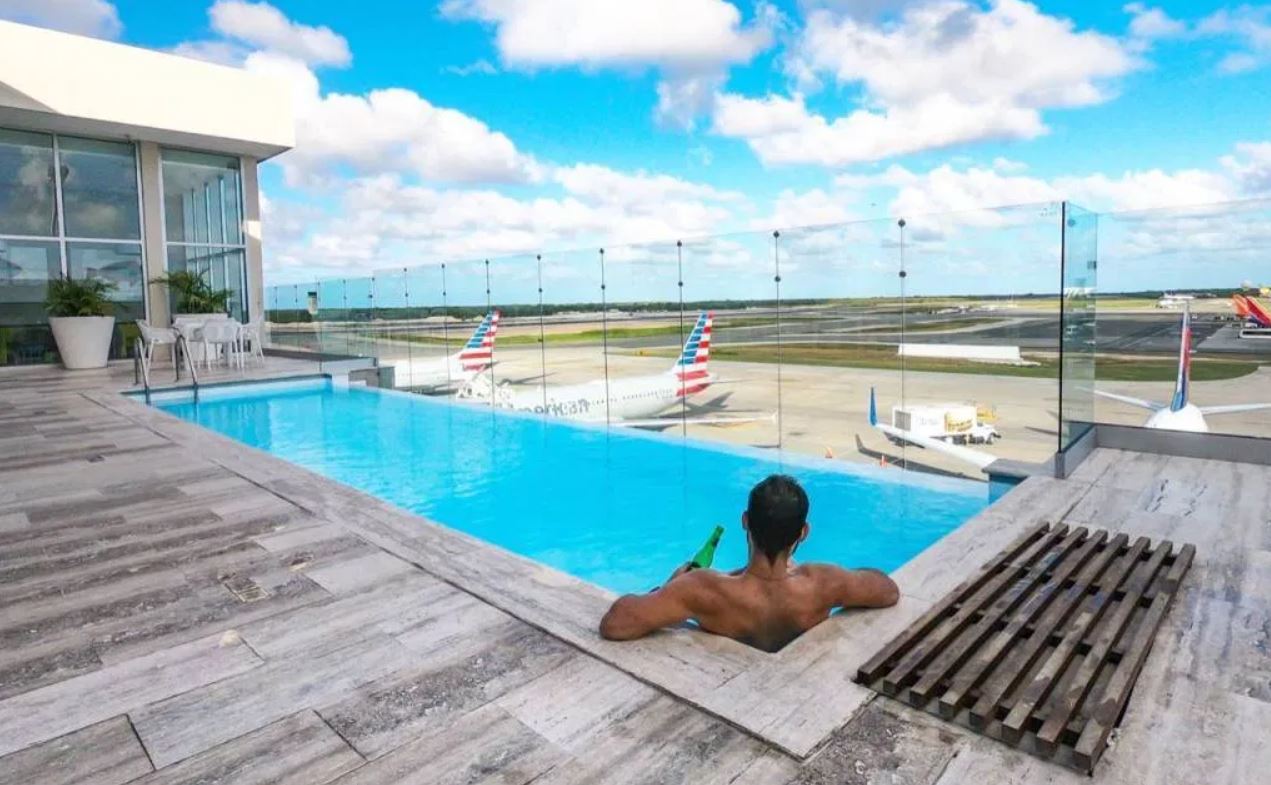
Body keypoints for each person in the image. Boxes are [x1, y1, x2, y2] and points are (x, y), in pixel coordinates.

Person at [598, 474, 900, 652]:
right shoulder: (823, 583)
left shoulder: (702, 589)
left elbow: (616, 624)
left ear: (745, 522)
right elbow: (887, 590)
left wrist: (669, 586)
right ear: (803, 533)